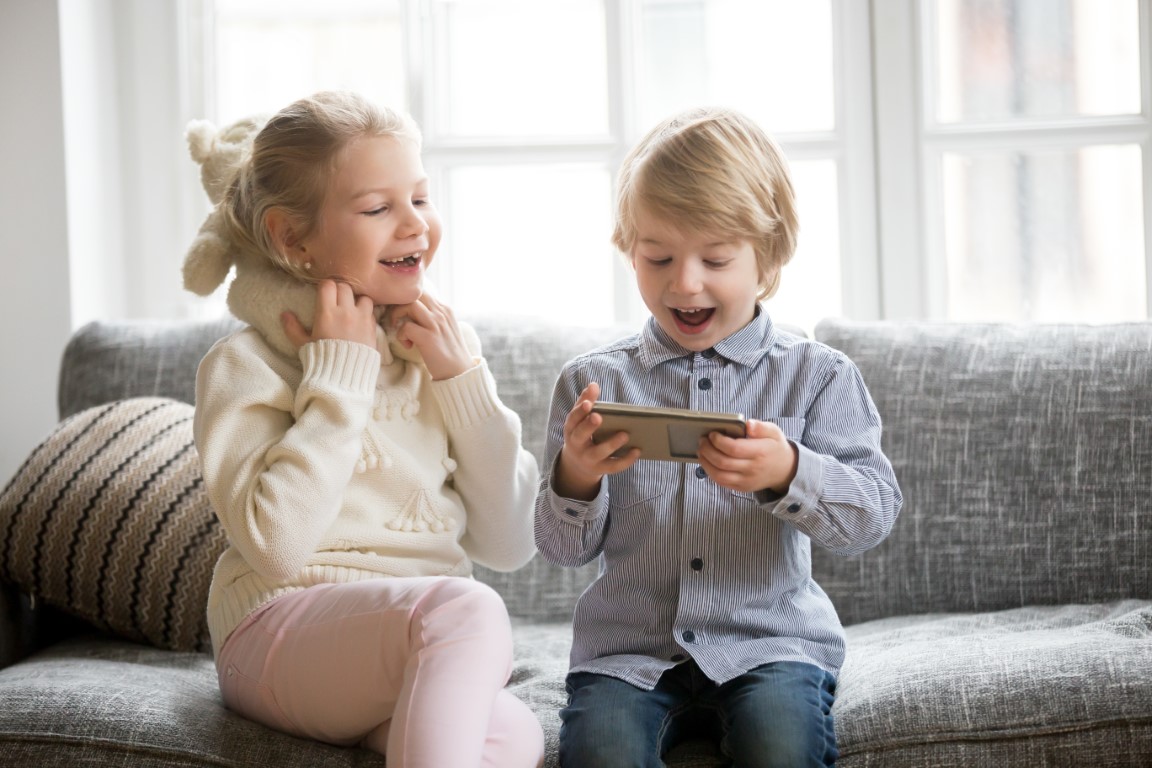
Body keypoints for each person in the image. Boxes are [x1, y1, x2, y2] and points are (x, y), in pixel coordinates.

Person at [534, 106, 903, 767]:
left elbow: (872, 514)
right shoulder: (592, 383)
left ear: (769, 256)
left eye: (716, 258)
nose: (685, 282)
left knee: (782, 749)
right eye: (659, 257)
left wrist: (791, 472)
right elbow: (561, 548)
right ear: (629, 250)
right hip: (628, 656)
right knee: (602, 755)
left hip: (772, 647)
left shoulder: (817, 378)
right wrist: (577, 476)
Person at [191, 91, 544, 768]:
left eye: (420, 197)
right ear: (293, 239)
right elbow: (277, 548)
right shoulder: (245, 364)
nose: (414, 225)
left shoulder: (441, 349)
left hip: (403, 648)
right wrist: (343, 375)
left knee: (511, 734)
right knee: (469, 611)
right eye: (378, 208)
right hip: (275, 633)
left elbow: (508, 542)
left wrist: (460, 381)